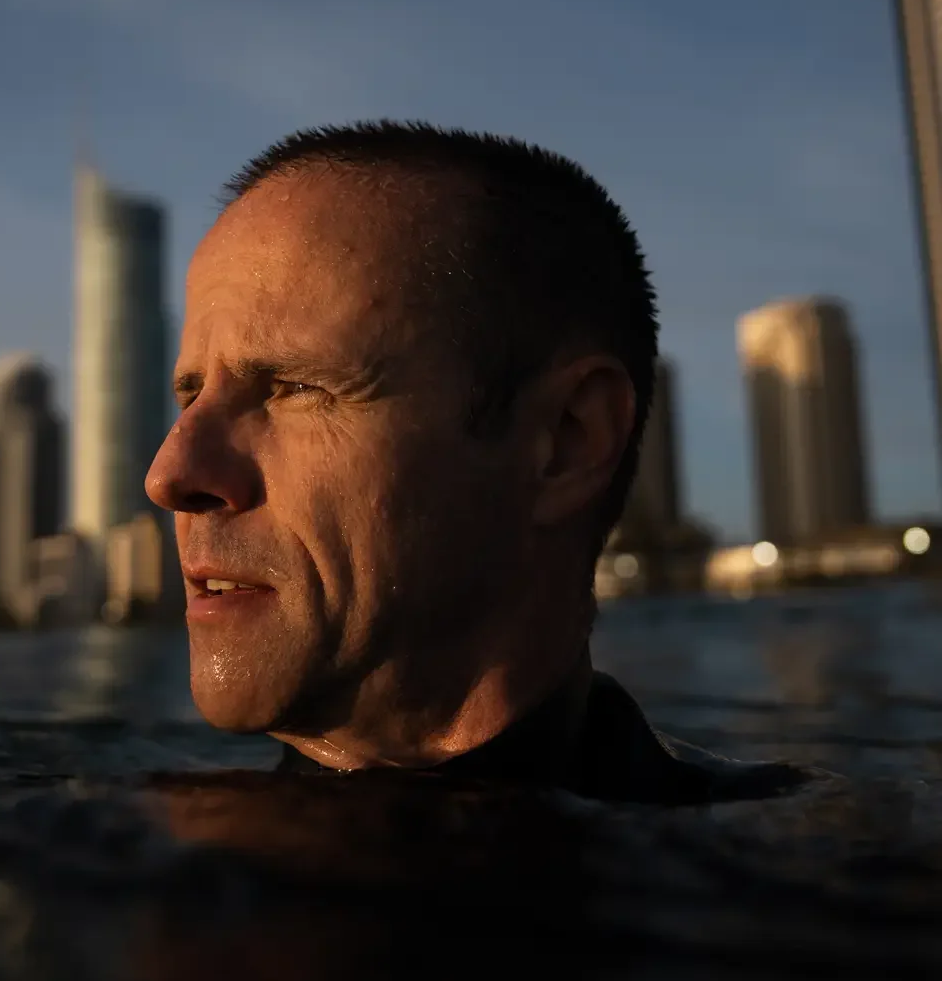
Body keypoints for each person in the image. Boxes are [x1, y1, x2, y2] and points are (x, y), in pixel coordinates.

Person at [145, 120, 814, 803]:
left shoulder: (796, 874)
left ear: (565, 441)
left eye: (295, 387)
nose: (170, 474)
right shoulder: (122, 847)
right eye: (191, 394)